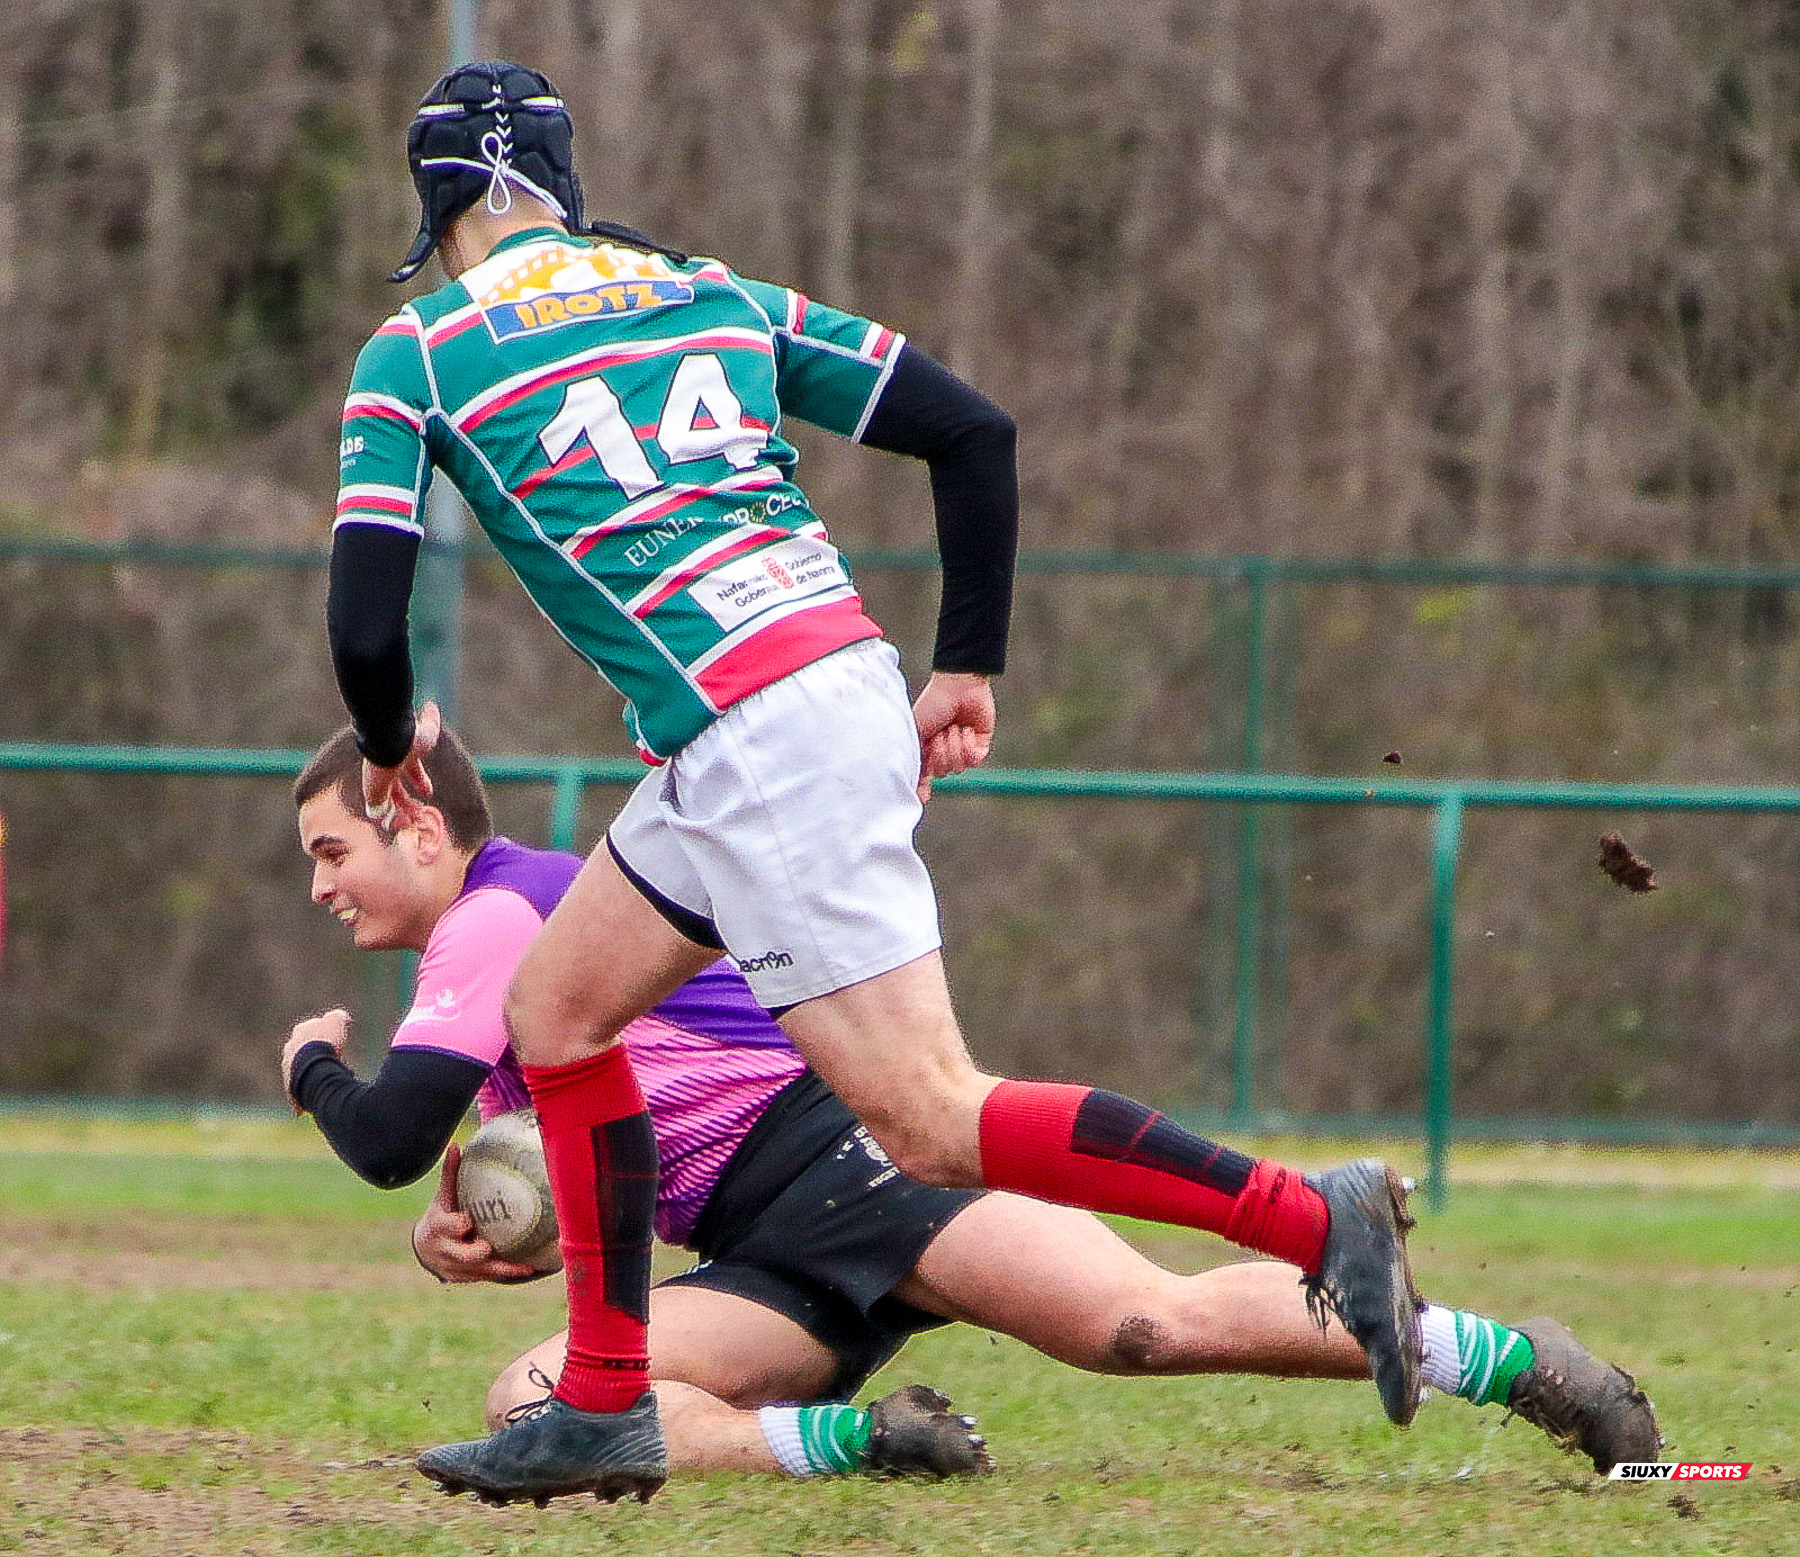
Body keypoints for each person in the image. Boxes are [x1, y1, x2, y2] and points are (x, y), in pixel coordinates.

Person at [331, 58, 1425, 1503]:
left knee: (929, 1115)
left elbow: (363, 623)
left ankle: (1307, 1212)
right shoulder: (706, 291)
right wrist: (967, 663)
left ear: (446, 215)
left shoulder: (417, 350)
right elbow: (972, 430)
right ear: (563, 191)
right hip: (783, 706)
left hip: (763, 734)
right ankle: (603, 1403)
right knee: (559, 1009)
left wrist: (390, 730)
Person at [285, 724, 1659, 1483]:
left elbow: (392, 1137)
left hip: (847, 1166)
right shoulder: (496, 969)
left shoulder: (496, 911)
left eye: (332, 848)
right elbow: (519, 1162)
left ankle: (1517, 1356)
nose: (322, 884)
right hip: (764, 1261)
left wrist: (310, 1068)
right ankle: (864, 1441)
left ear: (416, 819)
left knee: (1144, 1322)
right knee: (538, 1393)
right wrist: (456, 1235)